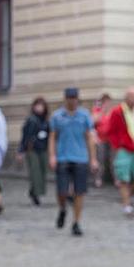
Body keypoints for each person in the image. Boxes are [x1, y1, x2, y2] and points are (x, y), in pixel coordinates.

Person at [48, 88, 98, 236]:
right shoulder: (57, 116)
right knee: (62, 191)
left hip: (80, 157)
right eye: (70, 98)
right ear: (66, 99)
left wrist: (93, 159)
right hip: (63, 157)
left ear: (77, 99)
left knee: (79, 192)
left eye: (74, 98)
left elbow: (89, 137)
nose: (72, 100)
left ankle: (76, 222)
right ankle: (63, 208)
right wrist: (52, 155)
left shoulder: (84, 115)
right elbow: (52, 137)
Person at [105, 86, 134, 217]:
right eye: (132, 96)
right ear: (126, 98)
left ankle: (127, 197)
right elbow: (110, 131)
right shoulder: (118, 111)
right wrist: (117, 145)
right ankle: (127, 205)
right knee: (123, 179)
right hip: (124, 149)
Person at [18, 97, 49, 206]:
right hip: (33, 149)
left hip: (43, 148)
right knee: (35, 172)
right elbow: (25, 136)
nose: (39, 108)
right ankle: (35, 194)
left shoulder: (46, 120)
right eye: (37, 105)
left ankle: (34, 191)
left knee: (42, 171)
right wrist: (21, 150)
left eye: (41, 106)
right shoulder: (31, 120)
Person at [91, 92, 113, 187]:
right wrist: (102, 110)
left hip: (111, 140)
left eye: (109, 102)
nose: (108, 104)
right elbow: (93, 121)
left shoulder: (112, 111)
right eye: (106, 102)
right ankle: (98, 178)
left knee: (113, 160)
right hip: (101, 139)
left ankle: (116, 179)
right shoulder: (97, 110)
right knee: (100, 160)